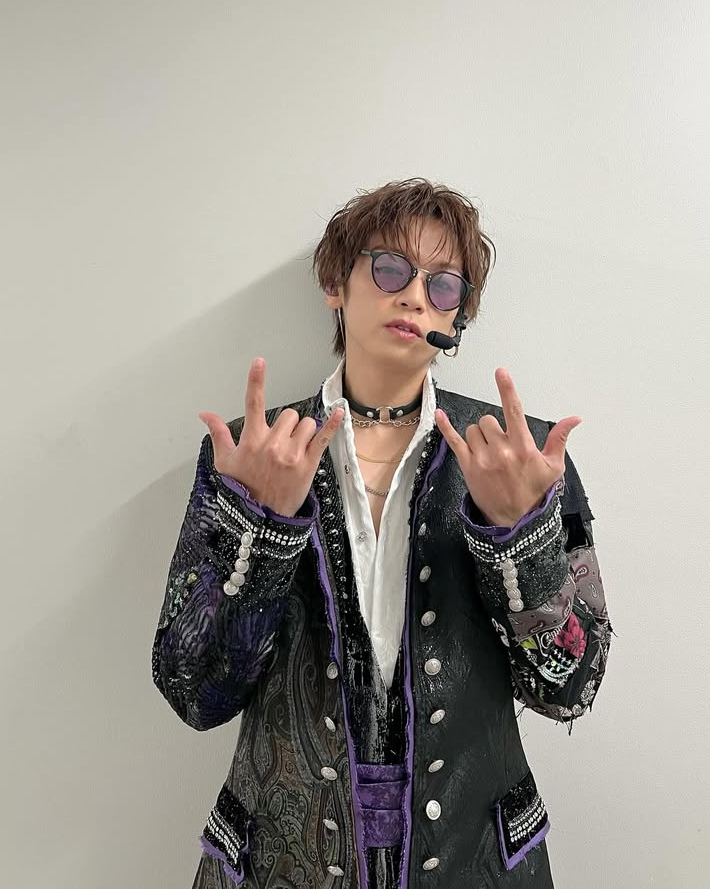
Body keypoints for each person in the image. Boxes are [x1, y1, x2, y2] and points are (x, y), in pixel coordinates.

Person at [152, 177, 613, 889]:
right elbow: (195, 691)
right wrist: (261, 527)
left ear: (458, 316)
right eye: (391, 268)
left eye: (444, 284)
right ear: (336, 283)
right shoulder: (250, 454)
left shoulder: (523, 456)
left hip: (474, 860)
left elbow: (570, 689)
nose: (415, 295)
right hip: (283, 860)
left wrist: (517, 538)